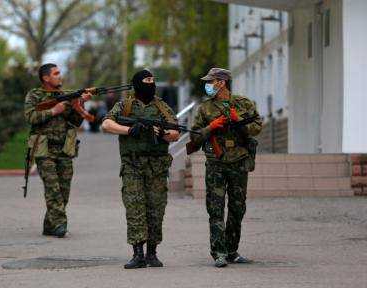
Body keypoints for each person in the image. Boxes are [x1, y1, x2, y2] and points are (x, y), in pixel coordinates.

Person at [102, 69, 179, 269]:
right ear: (137, 84)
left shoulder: (162, 107)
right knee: (135, 209)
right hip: (132, 165)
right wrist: (129, 130)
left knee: (156, 209)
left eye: (153, 81)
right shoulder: (125, 105)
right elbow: (107, 124)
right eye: (147, 81)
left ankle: (152, 253)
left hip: (157, 167)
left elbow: (175, 132)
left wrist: (163, 133)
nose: (151, 84)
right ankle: (138, 254)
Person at [189, 68, 262, 268]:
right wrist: (211, 127)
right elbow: (194, 137)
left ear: (221, 82)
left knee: (238, 208)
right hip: (216, 163)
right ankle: (219, 252)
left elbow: (257, 126)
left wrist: (239, 122)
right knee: (215, 208)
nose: (208, 85)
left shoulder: (244, 104)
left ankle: (232, 250)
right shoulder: (205, 109)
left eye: (211, 81)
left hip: (239, 162)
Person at [24, 63, 91, 238]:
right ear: (45, 77)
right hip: (44, 149)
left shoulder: (65, 96)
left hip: (64, 149)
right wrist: (53, 111)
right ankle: (60, 225)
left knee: (63, 191)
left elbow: (76, 122)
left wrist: (80, 103)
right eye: (56, 73)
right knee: (53, 188)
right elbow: (30, 117)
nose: (60, 76)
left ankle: (49, 224)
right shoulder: (34, 95)